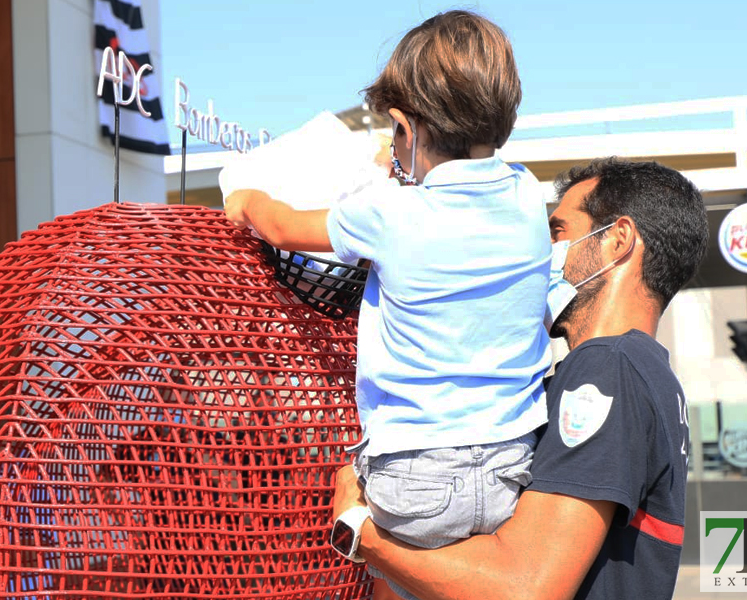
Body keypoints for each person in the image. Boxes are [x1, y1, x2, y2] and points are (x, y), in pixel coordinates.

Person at [225, 10, 550, 600]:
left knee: (397, 584)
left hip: (413, 472)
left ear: (407, 124)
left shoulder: (388, 214)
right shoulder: (530, 197)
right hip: (512, 465)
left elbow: (280, 225)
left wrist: (243, 197)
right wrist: (400, 164)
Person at [332, 157, 709, 600]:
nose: (538, 252)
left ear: (618, 241)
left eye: (556, 232)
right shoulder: (647, 372)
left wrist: (363, 536)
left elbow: (526, 588)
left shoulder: (608, 369)